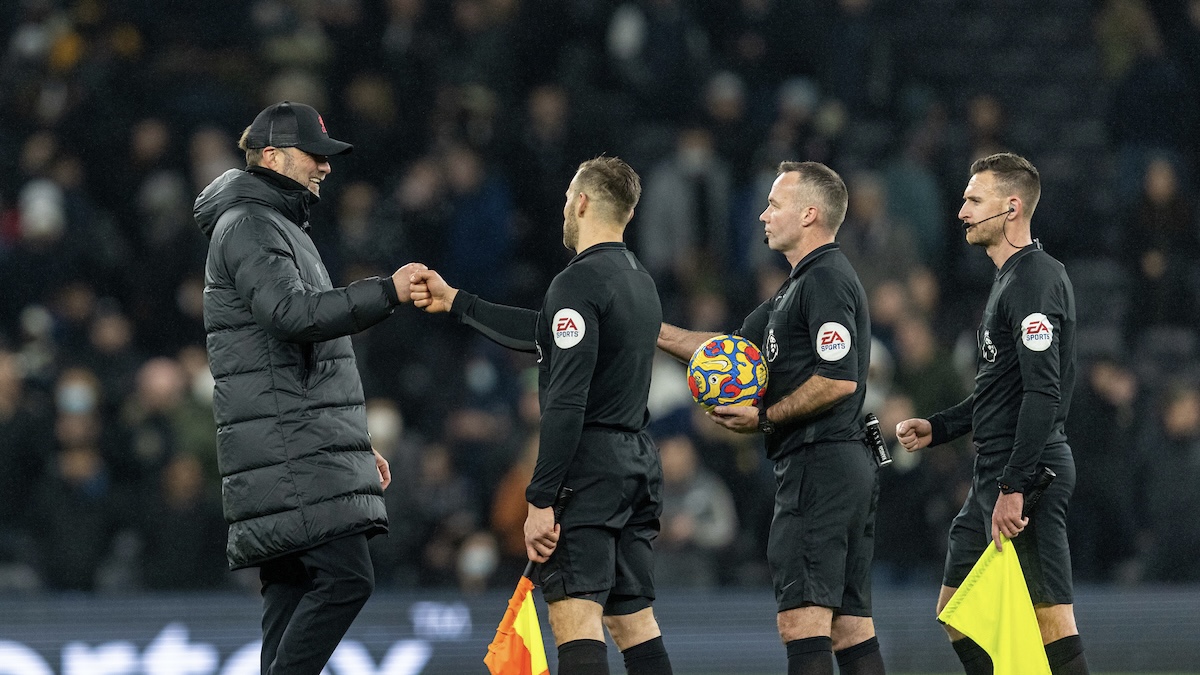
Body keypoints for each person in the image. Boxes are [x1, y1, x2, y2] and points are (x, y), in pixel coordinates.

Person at [410, 156, 674, 675]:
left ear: (582, 202)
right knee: (633, 622)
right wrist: (458, 301)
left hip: (589, 472)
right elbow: (547, 332)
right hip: (635, 465)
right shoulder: (638, 280)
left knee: (575, 620)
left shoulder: (576, 283)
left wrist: (540, 499)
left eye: (566, 198)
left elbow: (567, 400)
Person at [194, 100, 426, 675]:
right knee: (347, 578)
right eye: (313, 155)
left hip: (293, 443)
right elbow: (292, 316)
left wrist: (348, 443)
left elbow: (300, 354)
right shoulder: (250, 224)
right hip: (287, 449)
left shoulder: (273, 224)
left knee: (292, 597)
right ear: (270, 155)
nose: (325, 167)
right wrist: (387, 292)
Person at [657, 161, 883, 675]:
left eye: (774, 204)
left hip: (819, 464)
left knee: (802, 623)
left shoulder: (825, 278)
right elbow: (717, 349)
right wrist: (645, 326)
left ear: (808, 214)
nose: (762, 215)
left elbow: (838, 378)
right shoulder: (791, 291)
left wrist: (765, 417)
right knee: (849, 627)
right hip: (840, 465)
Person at [896, 152, 1089, 675]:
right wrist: (939, 428)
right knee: (956, 612)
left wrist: (1015, 486)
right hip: (997, 473)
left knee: (1052, 619)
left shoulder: (1034, 280)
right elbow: (999, 395)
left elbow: (1042, 394)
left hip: (1029, 474)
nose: (961, 211)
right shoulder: (1007, 279)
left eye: (972, 200)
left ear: (1011, 207)